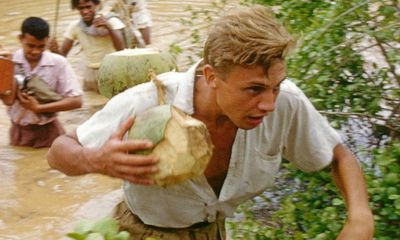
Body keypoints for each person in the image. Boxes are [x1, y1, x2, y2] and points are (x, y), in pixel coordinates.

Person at [47, 5, 374, 239]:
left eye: (275, 86)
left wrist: (360, 216)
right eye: (254, 89)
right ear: (211, 76)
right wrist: (94, 159)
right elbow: (59, 151)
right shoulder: (150, 99)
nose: (270, 103)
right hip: (138, 231)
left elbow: (339, 155)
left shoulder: (285, 101)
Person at [0, 17, 82, 148]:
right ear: (20, 39)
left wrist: (38, 108)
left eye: (41, 46)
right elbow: (8, 100)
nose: (36, 51)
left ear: (47, 41)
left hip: (50, 131)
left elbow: (77, 101)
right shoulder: (9, 61)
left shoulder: (59, 63)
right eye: (31, 46)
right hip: (19, 131)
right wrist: (7, 66)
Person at [50, 0, 126, 92]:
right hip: (89, 74)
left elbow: (121, 49)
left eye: (88, 7)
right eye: (81, 8)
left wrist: (108, 27)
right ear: (77, 9)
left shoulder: (111, 20)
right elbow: (62, 56)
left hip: (112, 71)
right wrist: (54, 50)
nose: (85, 11)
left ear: (97, 5)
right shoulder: (75, 27)